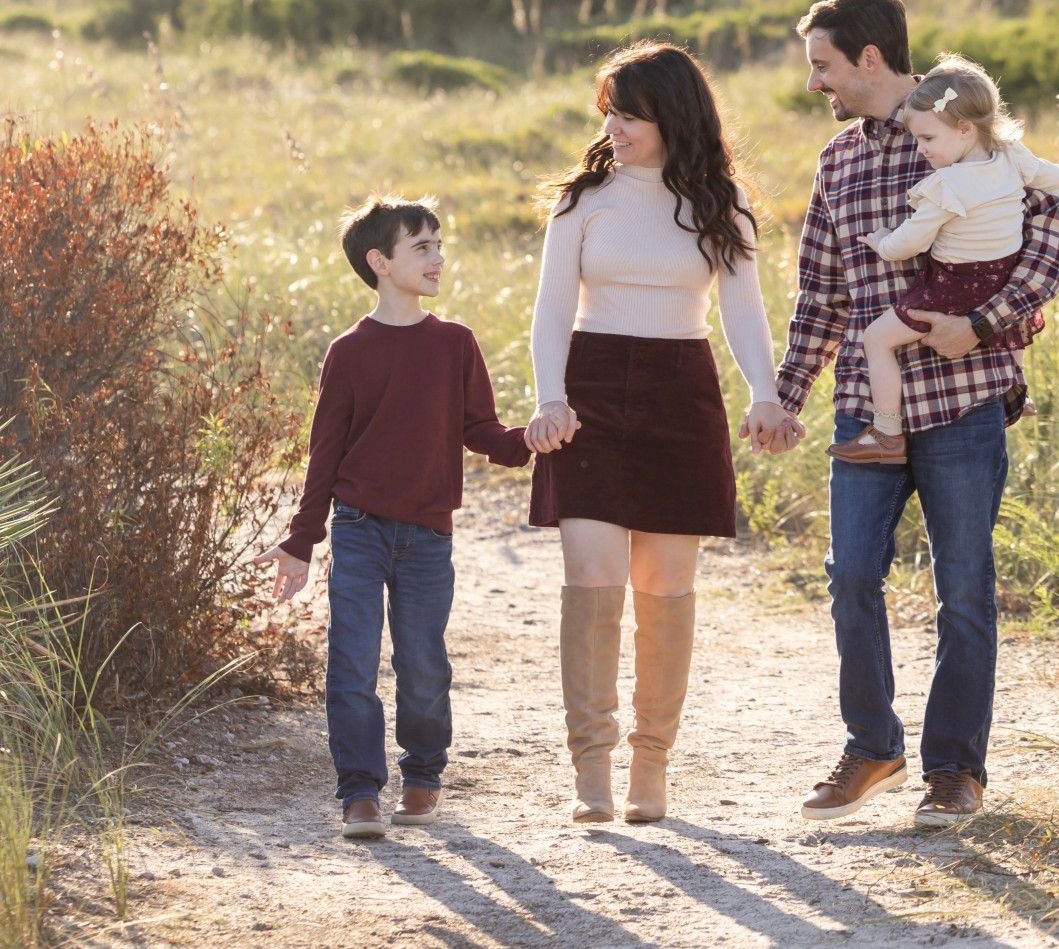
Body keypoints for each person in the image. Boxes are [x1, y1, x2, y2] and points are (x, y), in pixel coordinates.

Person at [773, 0, 1059, 829]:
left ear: (870, 60)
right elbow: (823, 293)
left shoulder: (966, 130)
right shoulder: (837, 162)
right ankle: (873, 746)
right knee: (851, 577)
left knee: (966, 591)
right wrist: (786, 395)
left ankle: (954, 772)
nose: (815, 85)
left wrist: (981, 325)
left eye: (823, 67)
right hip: (868, 406)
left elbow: (1054, 241)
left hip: (964, 400)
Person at [525, 41, 801, 826]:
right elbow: (550, 310)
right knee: (592, 575)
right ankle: (592, 768)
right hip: (591, 390)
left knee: (665, 588)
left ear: (670, 115)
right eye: (606, 110)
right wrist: (550, 399)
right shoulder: (583, 201)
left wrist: (767, 394)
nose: (613, 126)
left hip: (683, 393)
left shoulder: (722, 203)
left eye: (629, 113)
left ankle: (652, 763)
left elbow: (745, 311)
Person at [255, 196, 529, 839]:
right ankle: (359, 794)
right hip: (358, 527)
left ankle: (424, 776)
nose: (438, 258)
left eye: (439, 244)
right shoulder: (350, 351)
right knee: (351, 662)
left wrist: (531, 442)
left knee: (424, 663)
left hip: (429, 534)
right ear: (380, 262)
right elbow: (326, 452)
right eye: (422, 247)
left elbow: (481, 430)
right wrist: (301, 539)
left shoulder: (456, 343)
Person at [834, 53, 1059, 465]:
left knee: (876, 339)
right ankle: (1018, 389)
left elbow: (909, 244)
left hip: (952, 288)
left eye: (927, 139)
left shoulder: (946, 186)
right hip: (1000, 278)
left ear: (964, 129)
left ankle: (887, 431)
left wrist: (880, 241)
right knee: (1011, 321)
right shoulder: (1012, 158)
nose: (921, 149)